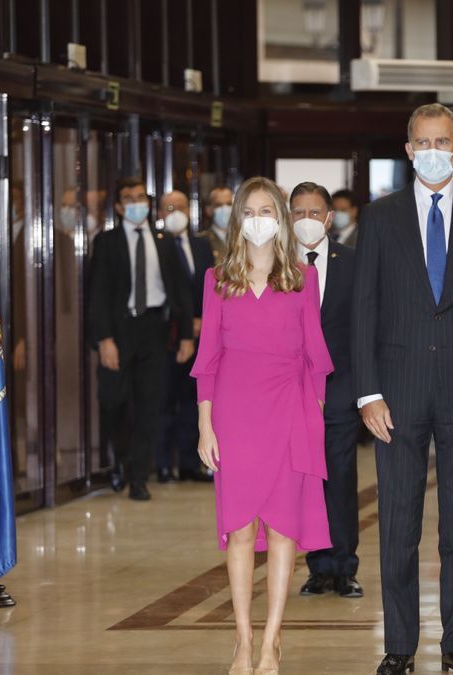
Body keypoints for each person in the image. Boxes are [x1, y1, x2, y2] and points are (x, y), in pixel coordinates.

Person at [352, 103, 453, 675]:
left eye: (441, 141)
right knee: (397, 523)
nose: (431, 151)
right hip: (394, 396)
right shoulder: (379, 217)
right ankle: (399, 645)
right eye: (422, 142)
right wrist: (367, 392)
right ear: (407, 149)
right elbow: (364, 310)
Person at [190, 176, 332, 674]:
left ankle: (272, 640)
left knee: (282, 530)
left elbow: (316, 357)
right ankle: (243, 641)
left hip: (289, 414)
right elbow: (207, 359)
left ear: (282, 218)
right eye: (248, 210)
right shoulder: (216, 280)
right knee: (239, 527)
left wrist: (314, 419)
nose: (257, 218)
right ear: (236, 220)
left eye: (266, 209)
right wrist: (206, 427)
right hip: (234, 415)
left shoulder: (302, 277)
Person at [88, 176, 195, 501]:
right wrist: (104, 339)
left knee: (149, 404)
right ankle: (120, 460)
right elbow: (98, 294)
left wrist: (187, 335)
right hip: (119, 330)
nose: (136, 203)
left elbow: (181, 291)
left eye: (140, 198)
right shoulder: (107, 242)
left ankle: (139, 477)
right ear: (119, 207)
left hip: (154, 329)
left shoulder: (164, 240)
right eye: (128, 198)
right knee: (114, 401)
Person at [287, 181, 365, 600]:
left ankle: (345, 566)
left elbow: (364, 326)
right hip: (291, 391)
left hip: (340, 387)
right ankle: (317, 566)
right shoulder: (279, 264)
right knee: (304, 480)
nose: (306, 221)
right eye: (298, 213)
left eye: (314, 213)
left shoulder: (354, 262)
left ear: (330, 219)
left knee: (340, 477)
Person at [156, 190, 215, 484]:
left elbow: (210, 286)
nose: (175, 212)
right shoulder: (157, 245)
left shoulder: (202, 245)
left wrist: (204, 320)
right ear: (160, 213)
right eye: (169, 207)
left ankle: (191, 464)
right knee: (164, 401)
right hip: (169, 335)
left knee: (195, 401)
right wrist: (184, 322)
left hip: (203, 333)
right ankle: (163, 464)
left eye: (180, 207)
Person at [201, 185, 234, 264]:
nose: (225, 208)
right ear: (209, 210)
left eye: (229, 204)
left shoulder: (244, 239)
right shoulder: (202, 241)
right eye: (219, 205)